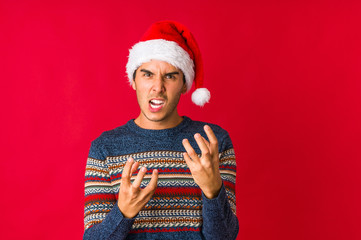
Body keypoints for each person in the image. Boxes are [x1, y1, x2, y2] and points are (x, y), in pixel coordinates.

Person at [83, 21, 239, 240]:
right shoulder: (104, 148)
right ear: (133, 80)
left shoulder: (213, 143)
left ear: (184, 84)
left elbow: (224, 237)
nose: (158, 87)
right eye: (147, 74)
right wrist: (123, 213)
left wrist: (213, 191)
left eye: (170, 76)